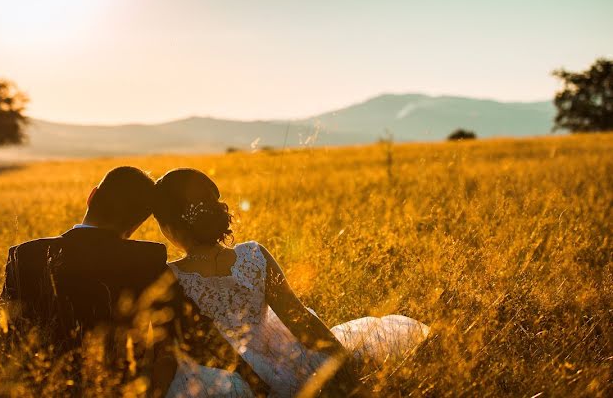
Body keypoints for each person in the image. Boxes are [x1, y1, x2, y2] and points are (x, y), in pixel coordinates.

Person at [153, 168, 430, 398]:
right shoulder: (253, 254)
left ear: (169, 229)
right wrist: (343, 367)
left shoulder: (169, 276)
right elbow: (298, 319)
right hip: (282, 357)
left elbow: (170, 348)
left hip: (222, 377)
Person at [0, 166, 266, 397]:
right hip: (119, 390)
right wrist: (255, 381)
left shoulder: (24, 255)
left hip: (36, 388)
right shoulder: (145, 259)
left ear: (92, 197)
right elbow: (191, 330)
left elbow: (6, 335)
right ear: (137, 223)